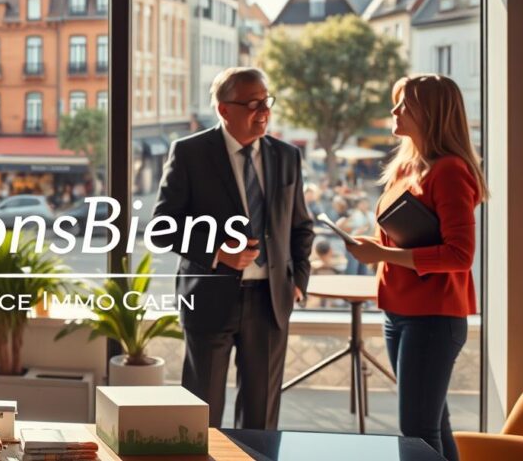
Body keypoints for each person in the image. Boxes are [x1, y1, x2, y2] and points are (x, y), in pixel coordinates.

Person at [153, 67, 314, 429]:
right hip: (209, 297)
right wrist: (217, 252)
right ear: (224, 109)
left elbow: (301, 226)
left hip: (270, 302)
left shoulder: (287, 156)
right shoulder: (190, 153)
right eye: (254, 104)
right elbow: (162, 227)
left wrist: (297, 280)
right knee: (201, 418)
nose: (264, 111)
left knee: (261, 421)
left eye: (267, 102)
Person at [345, 74, 487, 461]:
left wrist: (381, 255)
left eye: (404, 104)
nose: (394, 110)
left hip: (433, 318)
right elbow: (403, 239)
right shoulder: (407, 168)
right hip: (401, 311)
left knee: (417, 432)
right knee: (432, 426)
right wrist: (373, 247)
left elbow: (460, 255)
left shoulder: (450, 171)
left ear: (431, 113)